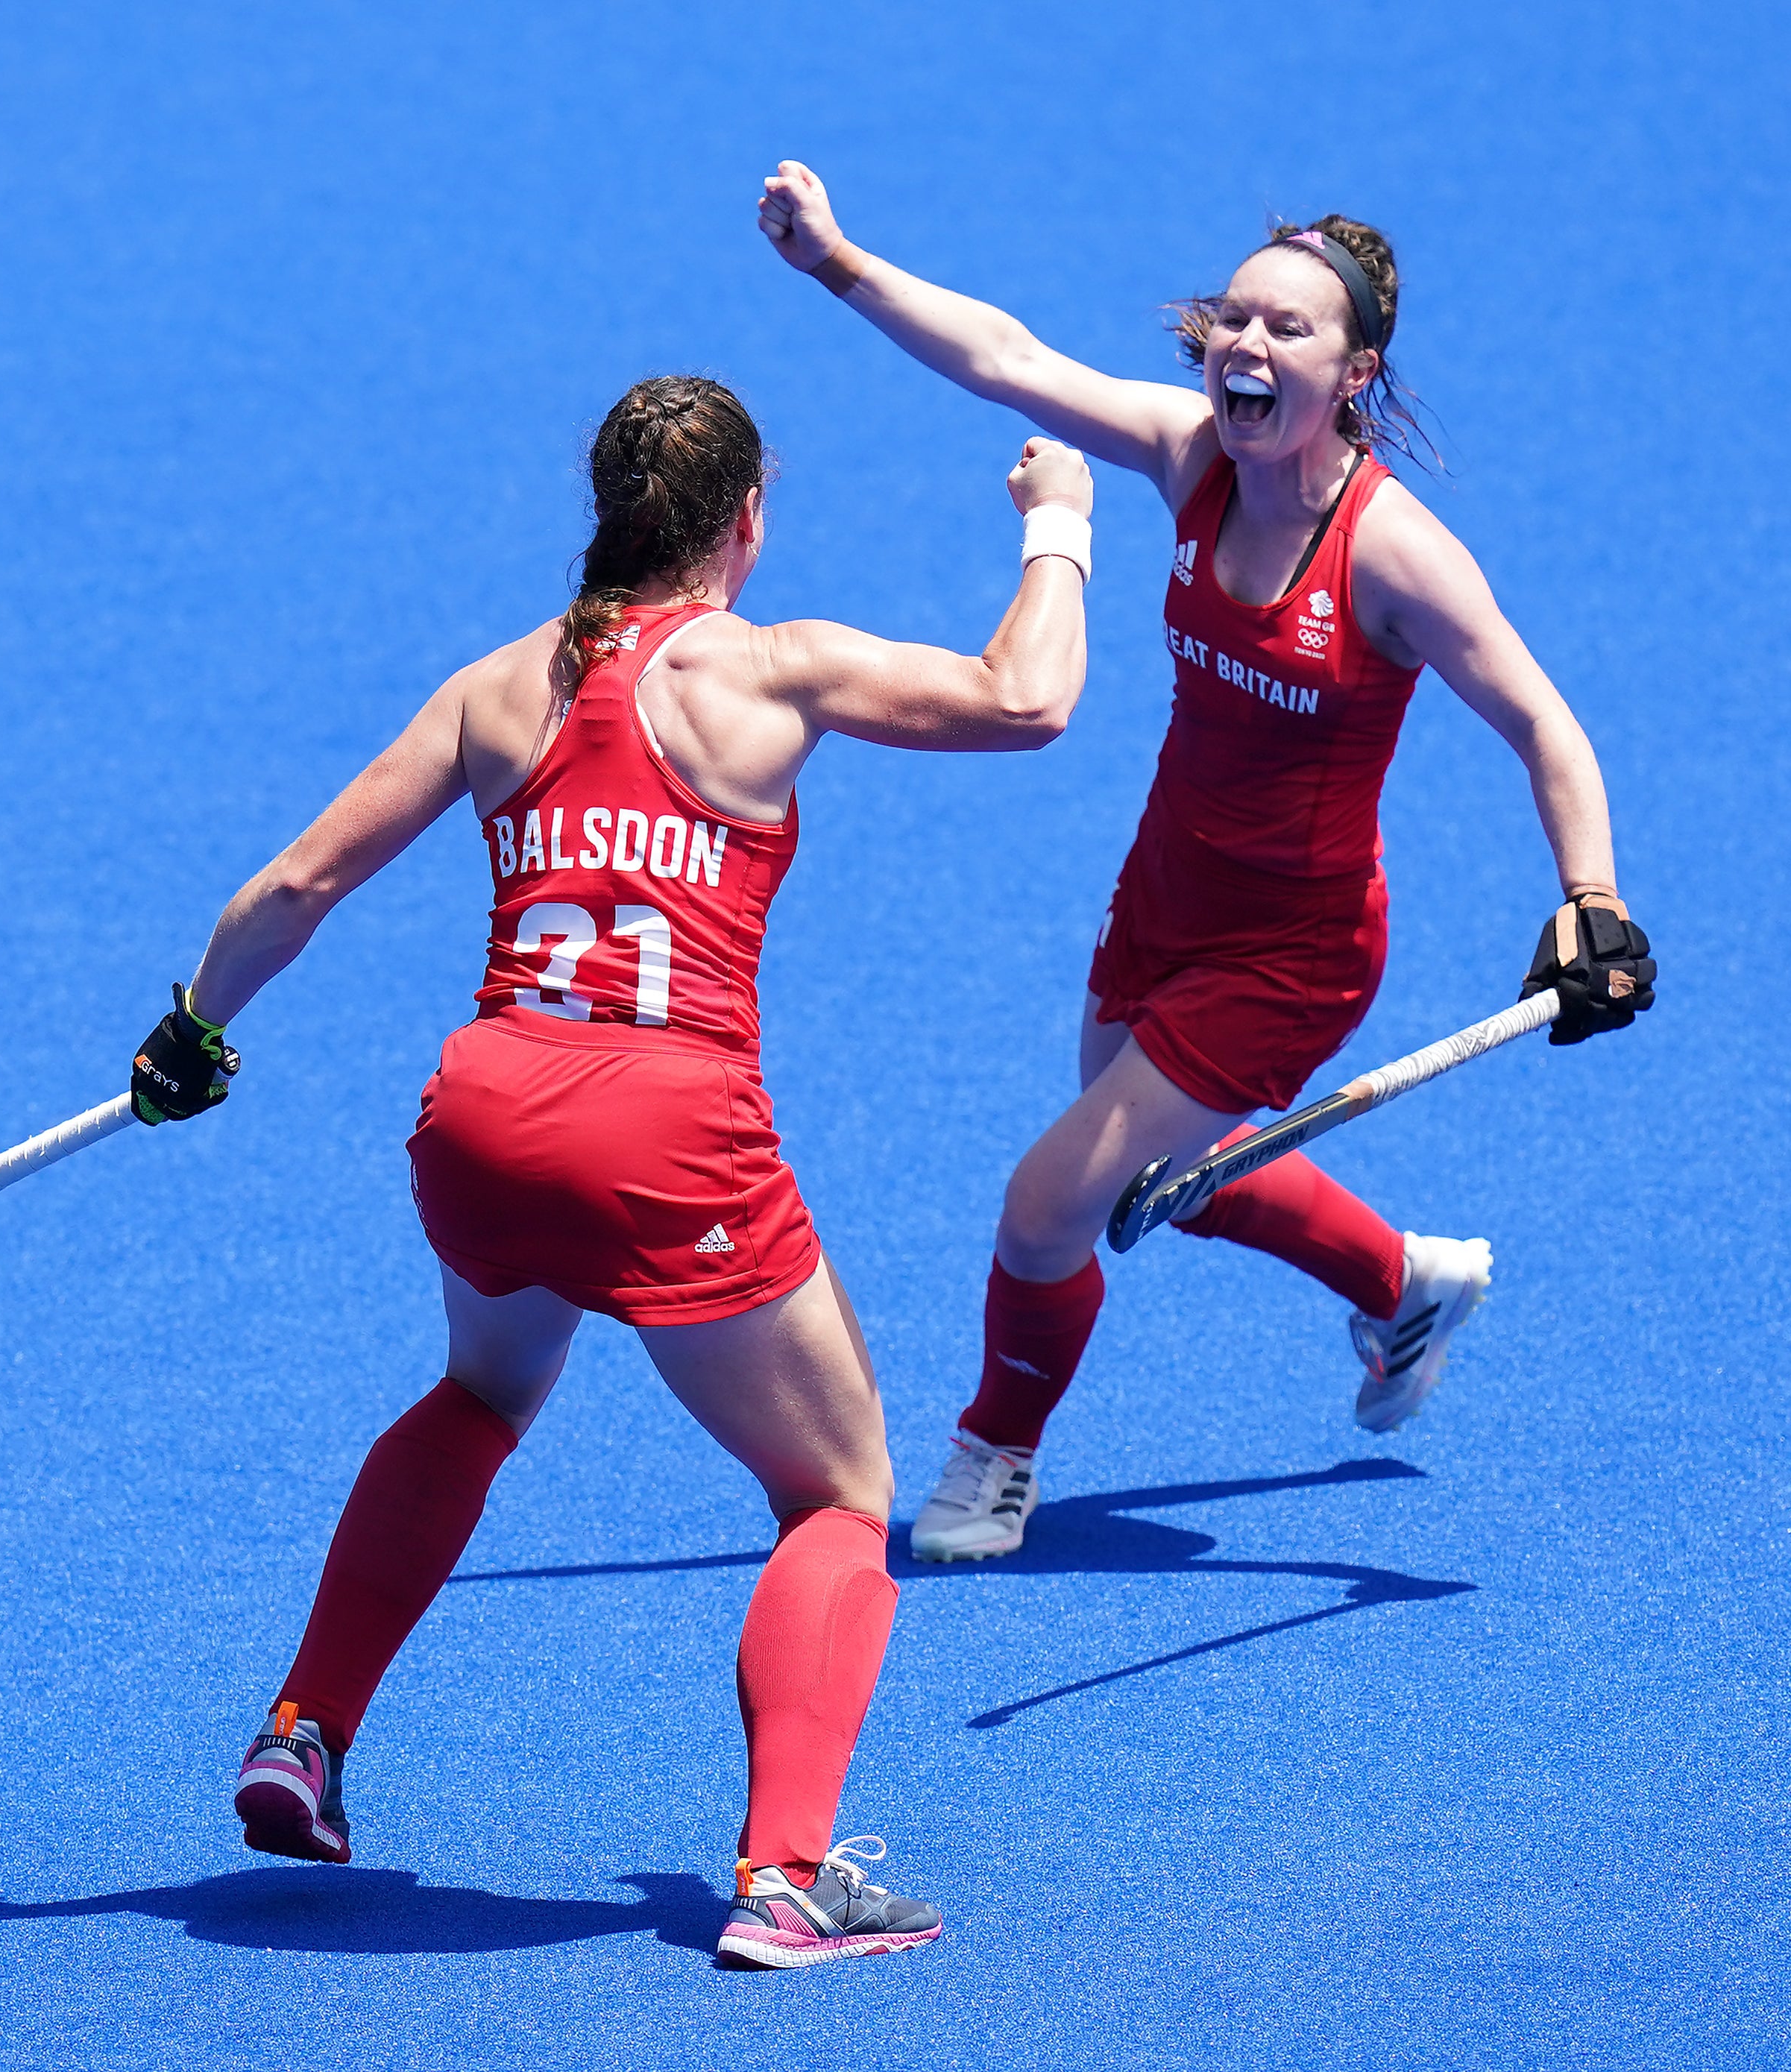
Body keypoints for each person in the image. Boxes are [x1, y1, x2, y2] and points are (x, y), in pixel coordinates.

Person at [129, 375, 1096, 1966]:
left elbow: (298, 882)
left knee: (481, 1395)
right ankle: (786, 1876)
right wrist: (1057, 526)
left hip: (486, 1117)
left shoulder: (498, 686)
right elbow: (1027, 697)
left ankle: (305, 1724)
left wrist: (192, 1030)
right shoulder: (765, 667)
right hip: (667, 1134)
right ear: (746, 526)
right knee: (839, 1493)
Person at [757, 163, 1655, 1564]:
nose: (1249, 345)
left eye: (1290, 330)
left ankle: (995, 1456)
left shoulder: (1391, 558)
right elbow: (1007, 358)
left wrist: (1590, 899)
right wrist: (838, 261)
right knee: (1144, 1180)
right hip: (1165, 893)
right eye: (1236, 319)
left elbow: (1545, 721)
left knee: (1047, 1206)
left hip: (1292, 955)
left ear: (1353, 373)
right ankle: (1400, 1280)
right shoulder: (1193, 461)